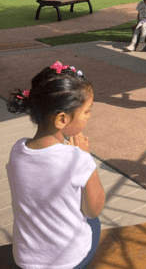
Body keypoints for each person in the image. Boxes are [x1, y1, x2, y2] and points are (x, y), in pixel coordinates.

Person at [5, 61, 105, 269]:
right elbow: (93, 209)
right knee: (94, 222)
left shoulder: (17, 150)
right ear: (62, 119)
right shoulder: (77, 159)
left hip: (25, 259)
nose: (89, 116)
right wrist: (85, 157)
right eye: (87, 111)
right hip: (65, 261)